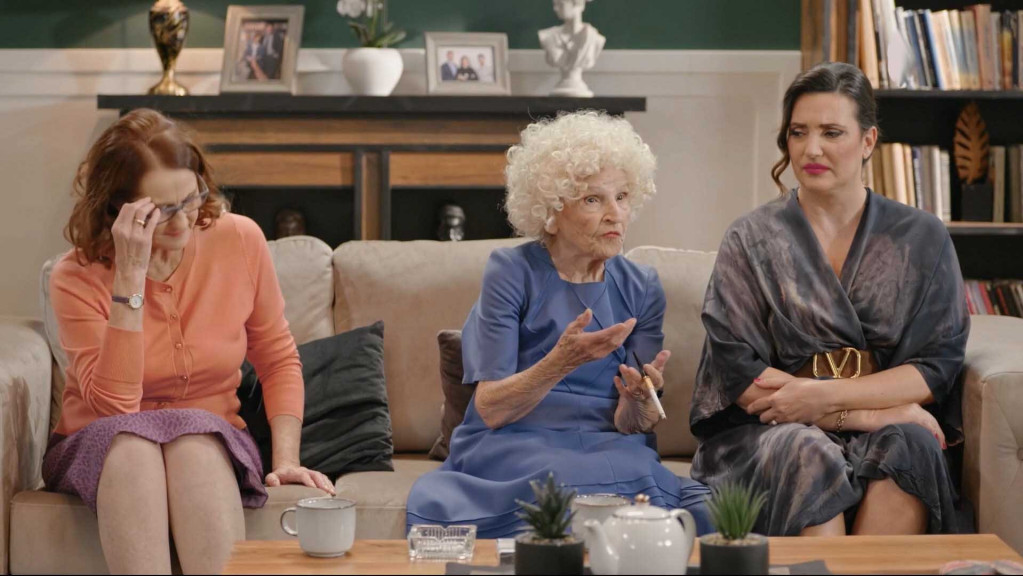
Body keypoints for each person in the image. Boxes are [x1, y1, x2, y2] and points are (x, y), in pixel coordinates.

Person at [45, 108, 334, 574]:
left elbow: (278, 358)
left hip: (209, 433)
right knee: (134, 448)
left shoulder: (240, 240)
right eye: (161, 210)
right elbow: (116, 409)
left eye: (190, 199)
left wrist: (286, 459)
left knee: (194, 443)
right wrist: (129, 277)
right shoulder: (74, 276)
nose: (182, 222)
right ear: (119, 211)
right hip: (104, 437)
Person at [690, 62, 971, 537]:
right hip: (768, 432)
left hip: (872, 422)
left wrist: (825, 399)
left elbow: (934, 367)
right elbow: (739, 373)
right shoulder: (750, 238)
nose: (811, 149)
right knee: (807, 450)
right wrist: (864, 415)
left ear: (868, 141)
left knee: (911, 443)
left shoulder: (922, 238)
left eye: (831, 132)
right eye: (798, 132)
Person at [406, 110, 712, 538]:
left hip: (609, 442)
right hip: (514, 439)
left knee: (664, 488)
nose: (616, 214)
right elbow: (491, 409)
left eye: (623, 196)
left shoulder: (642, 287)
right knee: (564, 483)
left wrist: (640, 402)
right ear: (552, 210)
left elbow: (633, 425)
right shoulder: (511, 272)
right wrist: (560, 362)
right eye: (593, 200)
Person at [539, 0, 606, 97]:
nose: (555, 8)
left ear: (577, 4)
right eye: (555, 4)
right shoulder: (548, 36)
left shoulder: (595, 39)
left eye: (560, 4)